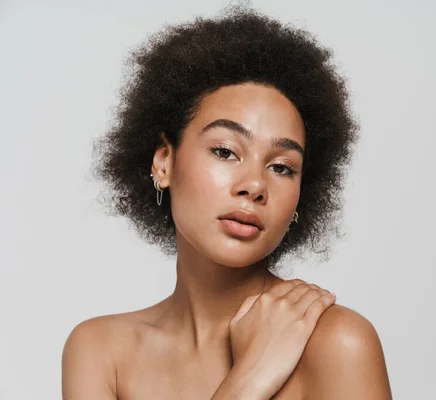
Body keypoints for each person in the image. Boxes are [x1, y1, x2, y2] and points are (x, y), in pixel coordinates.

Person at [62, 7, 392, 399]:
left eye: (283, 167)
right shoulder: (100, 351)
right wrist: (249, 379)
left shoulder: (337, 343)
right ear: (164, 162)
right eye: (225, 151)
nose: (254, 185)